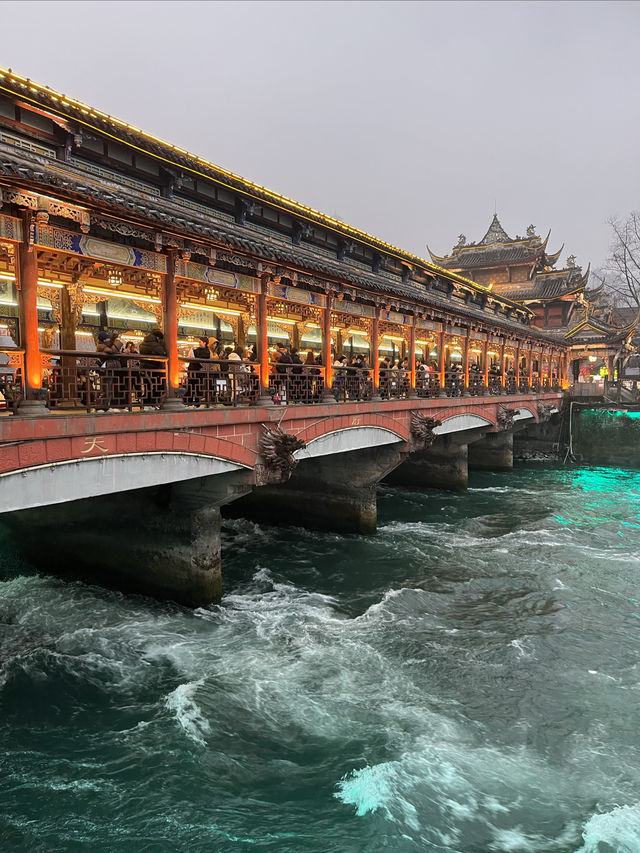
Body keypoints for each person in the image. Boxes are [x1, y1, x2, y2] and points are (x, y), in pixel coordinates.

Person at [139, 328, 167, 407]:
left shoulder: (143, 343)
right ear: (158, 337)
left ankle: (147, 404)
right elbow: (163, 353)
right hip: (155, 369)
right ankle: (153, 404)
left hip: (144, 368)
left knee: (147, 387)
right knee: (157, 387)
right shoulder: (155, 345)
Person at [186, 335, 210, 406]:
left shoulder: (206, 351)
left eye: (200, 342)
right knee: (190, 386)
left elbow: (203, 358)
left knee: (198, 387)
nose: (199, 343)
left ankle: (197, 403)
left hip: (199, 372)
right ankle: (189, 402)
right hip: (192, 370)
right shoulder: (197, 350)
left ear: (204, 343)